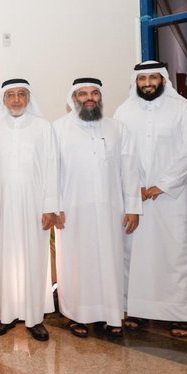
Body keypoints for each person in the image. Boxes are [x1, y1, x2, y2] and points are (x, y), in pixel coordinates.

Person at [114, 61, 187, 337]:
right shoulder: (124, 112)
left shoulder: (183, 110)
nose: (148, 82)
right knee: (135, 255)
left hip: (172, 198)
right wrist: (135, 187)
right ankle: (137, 310)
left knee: (176, 254)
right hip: (136, 196)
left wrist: (159, 186)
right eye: (142, 79)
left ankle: (178, 316)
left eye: (153, 77)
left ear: (163, 80)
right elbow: (120, 154)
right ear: (136, 82)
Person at [53, 78, 141, 338]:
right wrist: (54, 206)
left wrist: (133, 207)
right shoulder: (58, 129)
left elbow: (130, 170)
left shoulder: (118, 129)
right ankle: (76, 315)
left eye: (94, 93)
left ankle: (111, 315)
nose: (89, 98)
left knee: (111, 261)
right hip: (72, 210)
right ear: (74, 98)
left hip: (110, 210)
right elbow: (51, 172)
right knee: (75, 264)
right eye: (83, 94)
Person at [0, 79, 58, 342]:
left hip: (35, 204)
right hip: (2, 204)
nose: (16, 100)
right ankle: (7, 315)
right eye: (11, 95)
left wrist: (50, 207)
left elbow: (51, 168)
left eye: (21, 95)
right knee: (6, 259)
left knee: (35, 258)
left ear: (28, 97)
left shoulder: (43, 127)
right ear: (3, 99)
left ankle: (35, 318)